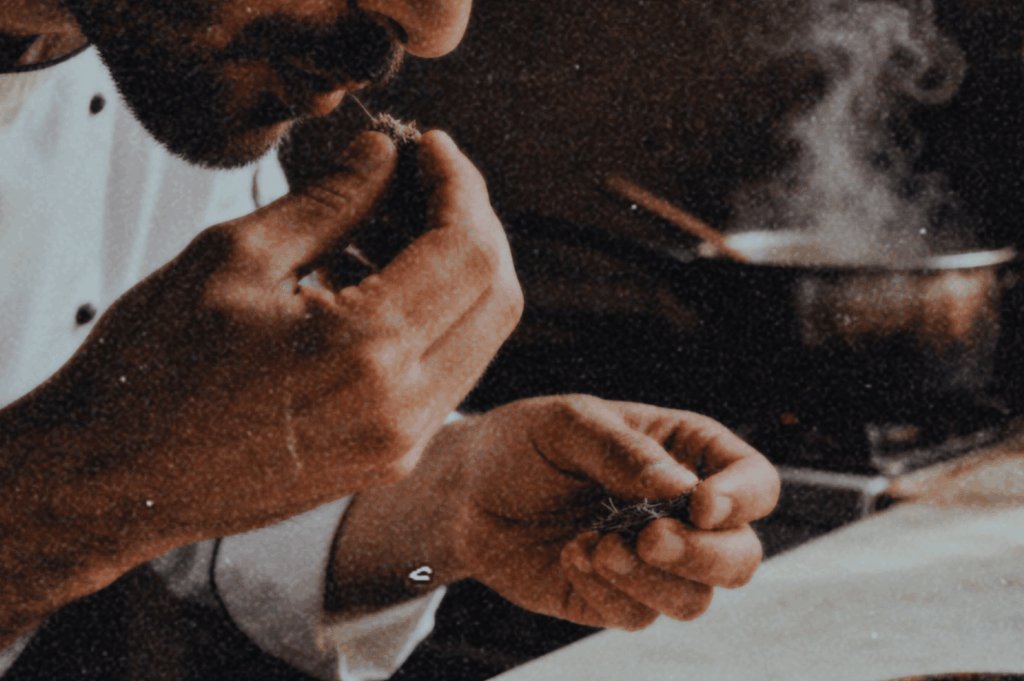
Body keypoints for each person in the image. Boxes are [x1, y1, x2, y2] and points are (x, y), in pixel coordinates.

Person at [0, 0, 781, 677]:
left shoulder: (170, 49)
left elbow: (189, 478)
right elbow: (123, 474)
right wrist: (85, 486)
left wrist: (454, 496)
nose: (439, 27)